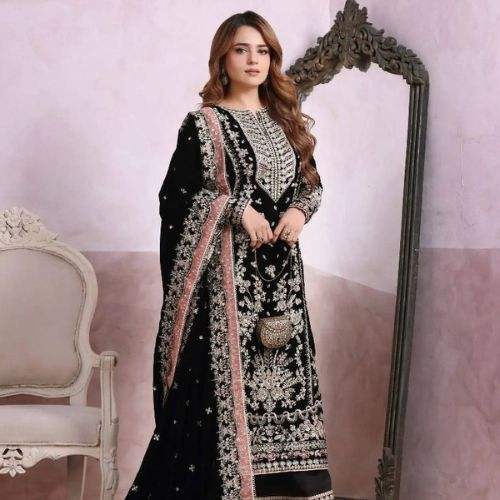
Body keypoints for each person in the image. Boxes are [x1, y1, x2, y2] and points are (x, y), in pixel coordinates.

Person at [125, 10, 334, 499]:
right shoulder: (204, 125)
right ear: (223, 58)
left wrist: (300, 211)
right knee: (216, 402)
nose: (253, 60)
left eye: (263, 51)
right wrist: (237, 210)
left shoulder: (287, 122)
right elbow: (176, 198)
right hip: (224, 294)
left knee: (289, 391)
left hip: (284, 286)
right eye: (242, 49)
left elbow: (312, 184)